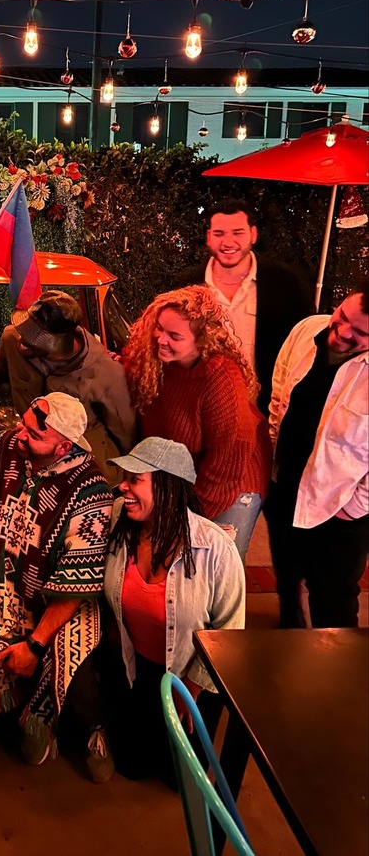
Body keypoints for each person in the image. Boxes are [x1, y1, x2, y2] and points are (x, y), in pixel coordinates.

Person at [0, 392, 114, 778]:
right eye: (24, 423)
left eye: (33, 433)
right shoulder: (6, 446)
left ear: (64, 445)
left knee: (72, 663)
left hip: (61, 599)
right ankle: (26, 714)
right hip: (2, 582)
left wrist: (35, 643)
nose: (20, 435)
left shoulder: (91, 491)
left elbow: (78, 585)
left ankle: (89, 726)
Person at [101, 438, 245, 786]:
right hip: (135, 669)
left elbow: (230, 628)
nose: (122, 486)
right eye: (124, 476)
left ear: (166, 486)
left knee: (179, 781)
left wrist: (192, 689)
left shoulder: (214, 549)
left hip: (188, 676)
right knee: (131, 766)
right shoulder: (120, 522)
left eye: (135, 478)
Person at [123, 286, 271, 561]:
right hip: (186, 476)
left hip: (232, 484)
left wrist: (183, 517)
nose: (160, 339)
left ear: (201, 341)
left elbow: (224, 472)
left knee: (214, 567)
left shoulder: (221, 381)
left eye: (174, 336)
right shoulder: (154, 362)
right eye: (159, 328)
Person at [0, 289, 136, 484]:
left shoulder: (108, 375)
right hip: (30, 459)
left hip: (85, 472)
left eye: (31, 339)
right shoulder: (13, 339)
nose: (21, 341)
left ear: (56, 344)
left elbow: (126, 435)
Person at [266, 279, 369, 628]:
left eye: (359, 333)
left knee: (335, 603)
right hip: (284, 487)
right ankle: (290, 636)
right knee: (286, 573)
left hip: (337, 508)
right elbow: (279, 385)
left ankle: (336, 676)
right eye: (341, 316)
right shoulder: (307, 329)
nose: (340, 331)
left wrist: (353, 508)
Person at [177, 198, 313, 415]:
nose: (228, 242)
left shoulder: (287, 284)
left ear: (253, 234)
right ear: (209, 237)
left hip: (264, 411)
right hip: (202, 411)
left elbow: (305, 346)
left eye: (237, 233)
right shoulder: (184, 287)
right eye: (219, 233)